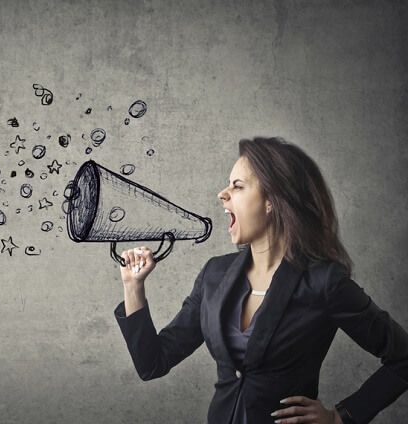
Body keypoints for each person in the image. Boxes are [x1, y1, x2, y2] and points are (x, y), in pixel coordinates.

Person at [115, 137, 408, 423]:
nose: (222, 193)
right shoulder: (214, 275)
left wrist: (340, 417)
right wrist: (133, 286)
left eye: (237, 186)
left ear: (272, 200)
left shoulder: (324, 281)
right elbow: (152, 363)